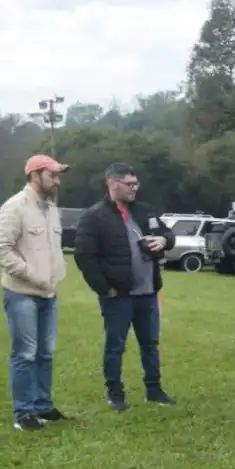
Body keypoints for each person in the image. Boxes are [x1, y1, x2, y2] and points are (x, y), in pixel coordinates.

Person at [73, 162, 176, 411]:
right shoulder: (94, 216)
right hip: (118, 296)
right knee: (115, 346)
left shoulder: (145, 211)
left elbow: (169, 236)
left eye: (136, 183)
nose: (134, 189)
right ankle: (115, 394)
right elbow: (84, 256)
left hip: (148, 292)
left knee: (150, 344)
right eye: (129, 184)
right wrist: (104, 288)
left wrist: (163, 239)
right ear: (113, 183)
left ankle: (154, 390)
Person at [0, 155, 70, 431]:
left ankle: (43, 406)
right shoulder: (15, 207)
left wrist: (55, 275)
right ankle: (24, 413)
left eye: (58, 176)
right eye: (52, 175)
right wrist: (30, 273)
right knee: (25, 353)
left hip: (49, 293)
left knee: (46, 352)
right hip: (21, 292)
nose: (57, 181)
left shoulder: (51, 208)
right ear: (34, 175)